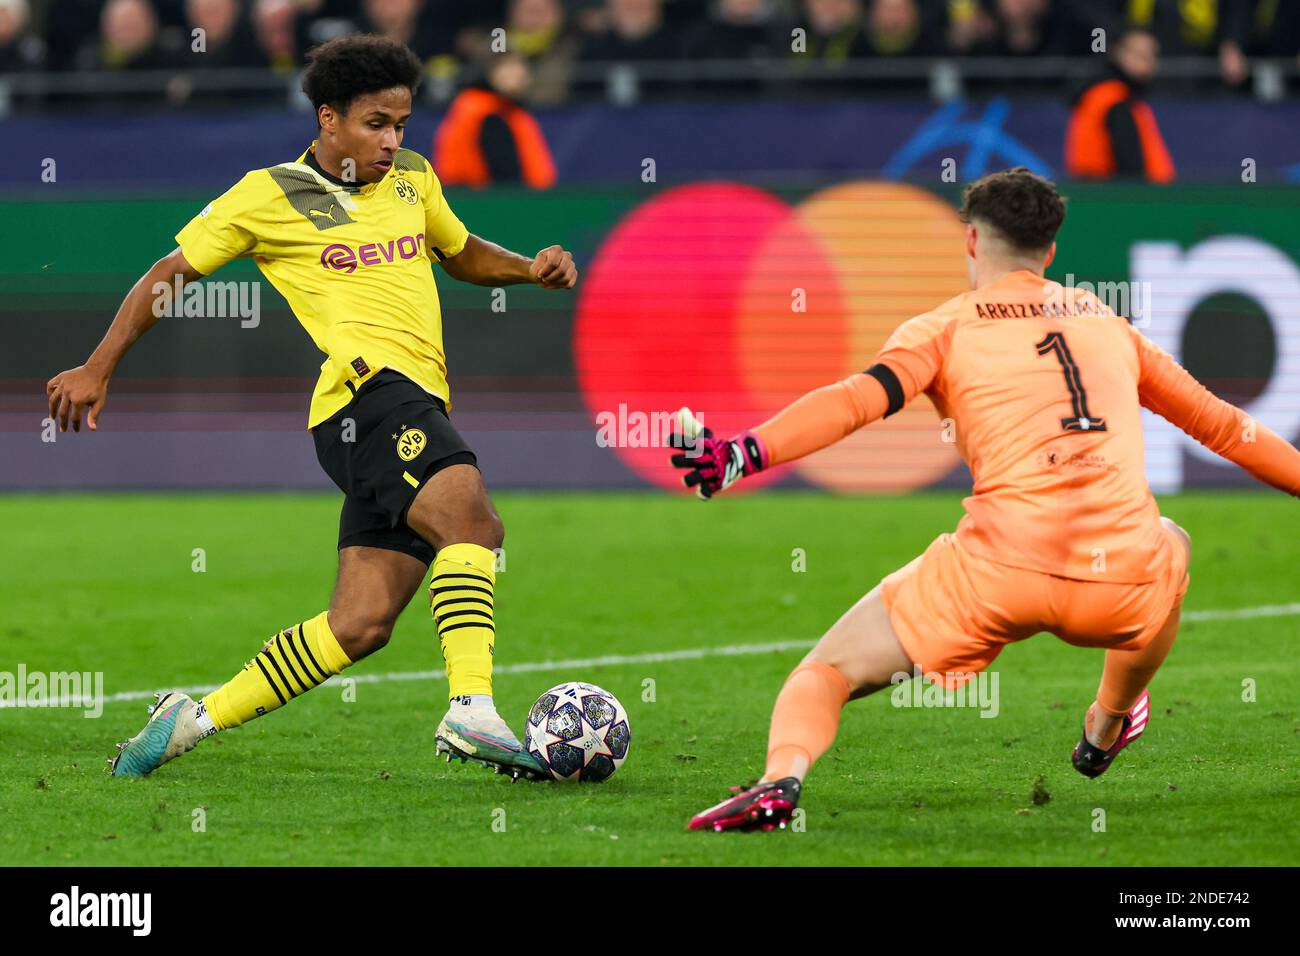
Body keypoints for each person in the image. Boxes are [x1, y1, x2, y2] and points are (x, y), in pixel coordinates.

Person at [670, 167, 1300, 832]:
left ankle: (780, 782)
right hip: (1120, 581)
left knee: (827, 670)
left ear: (970, 240)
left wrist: (743, 453)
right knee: (1172, 542)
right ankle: (1108, 721)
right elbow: (1228, 429)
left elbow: (857, 401)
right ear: (1050, 251)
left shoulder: (944, 327)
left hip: (996, 574)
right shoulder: (1109, 325)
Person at [45, 34, 578, 782]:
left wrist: (529, 268)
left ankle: (189, 720)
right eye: (375, 124)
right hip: (366, 397)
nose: (393, 140)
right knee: (473, 521)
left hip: (398, 404)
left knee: (360, 625)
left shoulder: (413, 179)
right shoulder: (267, 194)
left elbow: (456, 252)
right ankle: (471, 710)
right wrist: (98, 366)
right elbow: (171, 270)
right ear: (329, 119)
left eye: (400, 124)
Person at [1065, 28, 1175, 183]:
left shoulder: (1105, 94)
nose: (1147, 63)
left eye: (1152, 55)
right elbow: (1130, 165)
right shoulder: (1114, 100)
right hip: (1117, 199)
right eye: (1138, 55)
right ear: (1116, 53)